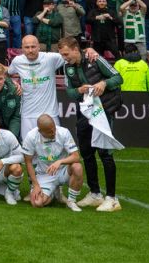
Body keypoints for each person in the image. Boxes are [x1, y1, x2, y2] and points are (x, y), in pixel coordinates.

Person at [59, 36, 124, 212]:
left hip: (103, 112)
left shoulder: (95, 58)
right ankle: (95, 193)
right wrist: (78, 90)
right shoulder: (67, 68)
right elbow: (69, 93)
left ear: (75, 48)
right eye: (62, 55)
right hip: (84, 113)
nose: (65, 58)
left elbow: (118, 78)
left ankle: (112, 198)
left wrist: (104, 83)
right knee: (87, 152)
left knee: (105, 153)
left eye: (66, 54)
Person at [21, 114, 85, 212]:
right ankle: (54, 193)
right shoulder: (31, 136)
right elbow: (28, 162)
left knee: (77, 167)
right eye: (49, 131)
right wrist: (36, 185)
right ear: (40, 131)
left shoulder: (64, 132)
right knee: (37, 203)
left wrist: (60, 162)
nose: (53, 132)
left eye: (54, 128)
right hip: (44, 174)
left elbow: (76, 156)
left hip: (63, 171)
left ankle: (71, 202)